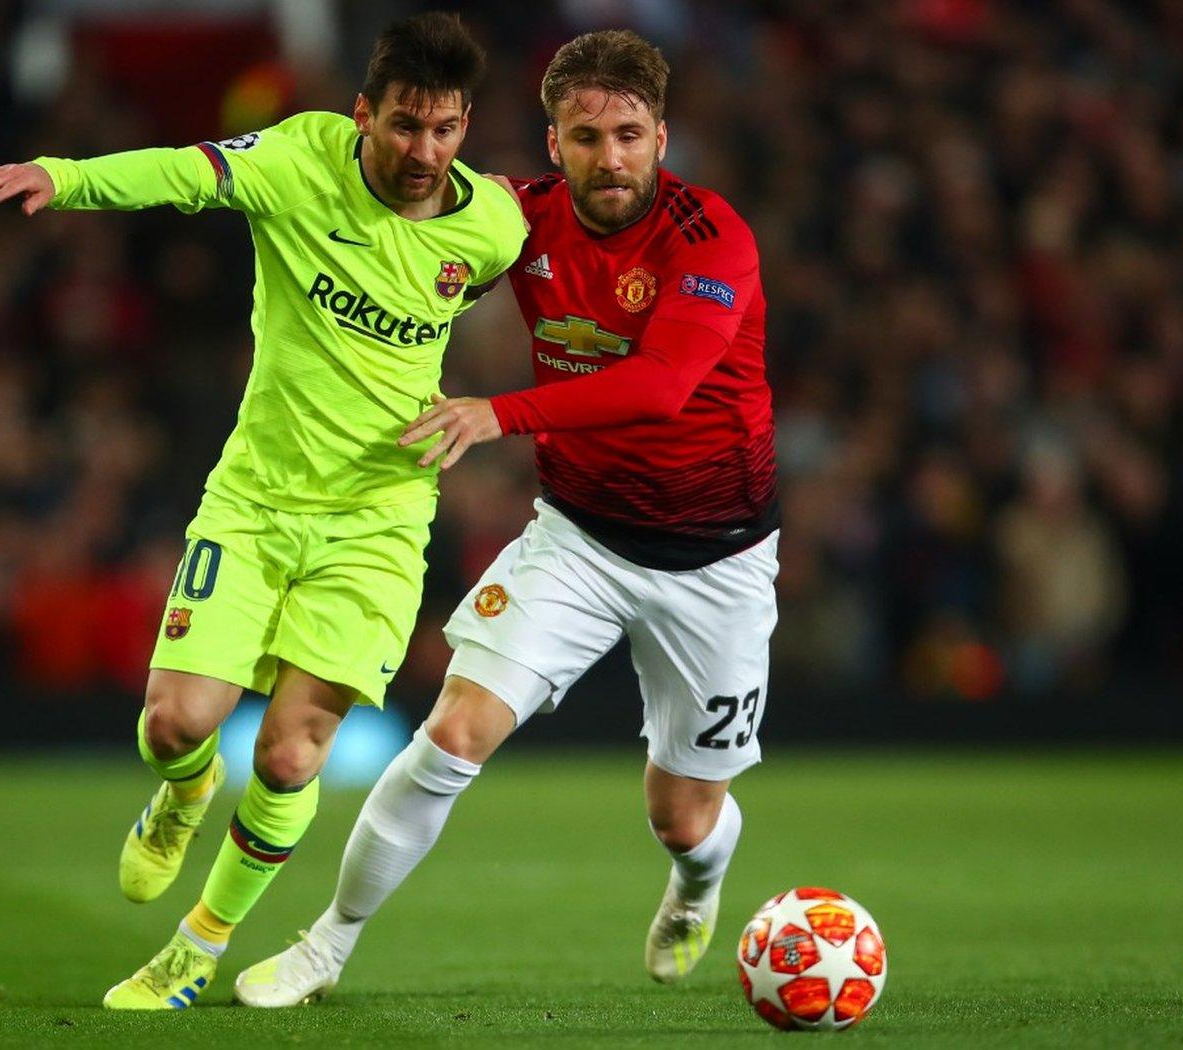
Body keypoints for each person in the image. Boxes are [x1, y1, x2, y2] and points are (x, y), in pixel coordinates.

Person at [0, 12, 526, 1010]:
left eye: (442, 130)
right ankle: (182, 796)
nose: (422, 151)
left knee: (292, 748)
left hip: (381, 522)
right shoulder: (298, 158)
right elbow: (184, 173)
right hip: (255, 503)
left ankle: (197, 949)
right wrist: (69, 175)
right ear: (364, 114)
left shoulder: (495, 227)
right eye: (403, 126)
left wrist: (509, 414)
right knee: (177, 723)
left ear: (465, 124)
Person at [234, 29, 778, 1006]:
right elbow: (407, 264)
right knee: (452, 734)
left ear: (662, 135)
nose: (609, 158)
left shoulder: (711, 240)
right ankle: (325, 946)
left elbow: (661, 388)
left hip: (717, 559)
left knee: (684, 819)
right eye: (585, 136)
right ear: (551, 139)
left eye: (628, 135)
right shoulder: (513, 219)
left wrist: (498, 413)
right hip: (578, 536)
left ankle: (699, 883)